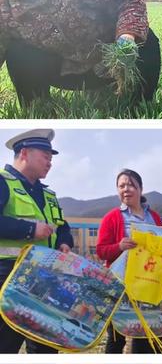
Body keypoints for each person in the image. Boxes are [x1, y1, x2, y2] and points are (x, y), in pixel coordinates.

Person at [0, 0, 160, 105]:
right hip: (64, 73)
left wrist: (126, 38)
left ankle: (139, 103)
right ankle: (37, 106)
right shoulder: (3, 6)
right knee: (18, 51)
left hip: (112, 67)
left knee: (144, 40)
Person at [0, 129, 73, 354]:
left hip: (45, 279)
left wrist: (65, 242)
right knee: (6, 344)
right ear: (24, 153)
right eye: (46, 157)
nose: (50, 163)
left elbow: (62, 226)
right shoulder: (3, 182)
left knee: (46, 346)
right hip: (9, 277)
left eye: (51, 159)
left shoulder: (48, 194)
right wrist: (30, 229)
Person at [96, 169, 162, 354]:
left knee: (145, 335)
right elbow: (101, 251)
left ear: (140, 189)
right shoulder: (112, 218)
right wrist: (119, 246)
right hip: (120, 286)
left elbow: (159, 248)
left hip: (147, 285)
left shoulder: (153, 217)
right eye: (121, 186)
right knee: (116, 339)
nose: (126, 189)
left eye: (131, 185)